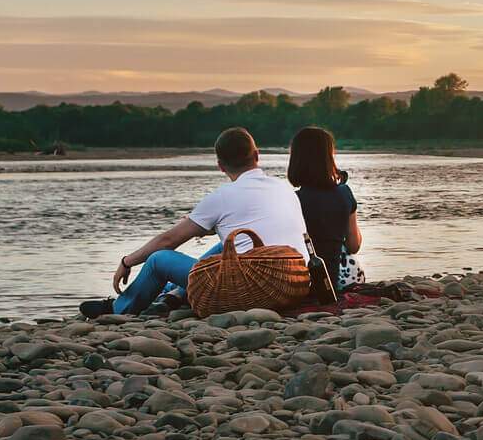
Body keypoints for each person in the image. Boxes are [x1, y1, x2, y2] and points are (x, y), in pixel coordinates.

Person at [90, 127, 308, 317]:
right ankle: (174, 294)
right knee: (225, 245)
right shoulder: (284, 188)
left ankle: (120, 308)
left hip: (251, 288)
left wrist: (127, 262)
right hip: (293, 282)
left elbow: (168, 240)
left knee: (158, 260)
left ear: (220, 166)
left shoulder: (222, 196)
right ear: (257, 155)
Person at [288, 125, 361, 287]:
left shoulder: (293, 200)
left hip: (300, 283)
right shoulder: (344, 193)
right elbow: (354, 245)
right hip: (335, 282)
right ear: (329, 157)